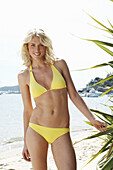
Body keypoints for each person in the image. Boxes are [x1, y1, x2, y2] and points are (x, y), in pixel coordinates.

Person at [18, 28, 107, 170]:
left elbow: (74, 95)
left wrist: (92, 119)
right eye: (32, 45)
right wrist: (25, 142)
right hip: (36, 130)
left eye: (41, 45)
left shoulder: (59, 65)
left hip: (61, 130)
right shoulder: (24, 76)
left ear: (46, 46)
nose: (37, 49)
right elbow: (27, 109)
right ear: (27, 48)